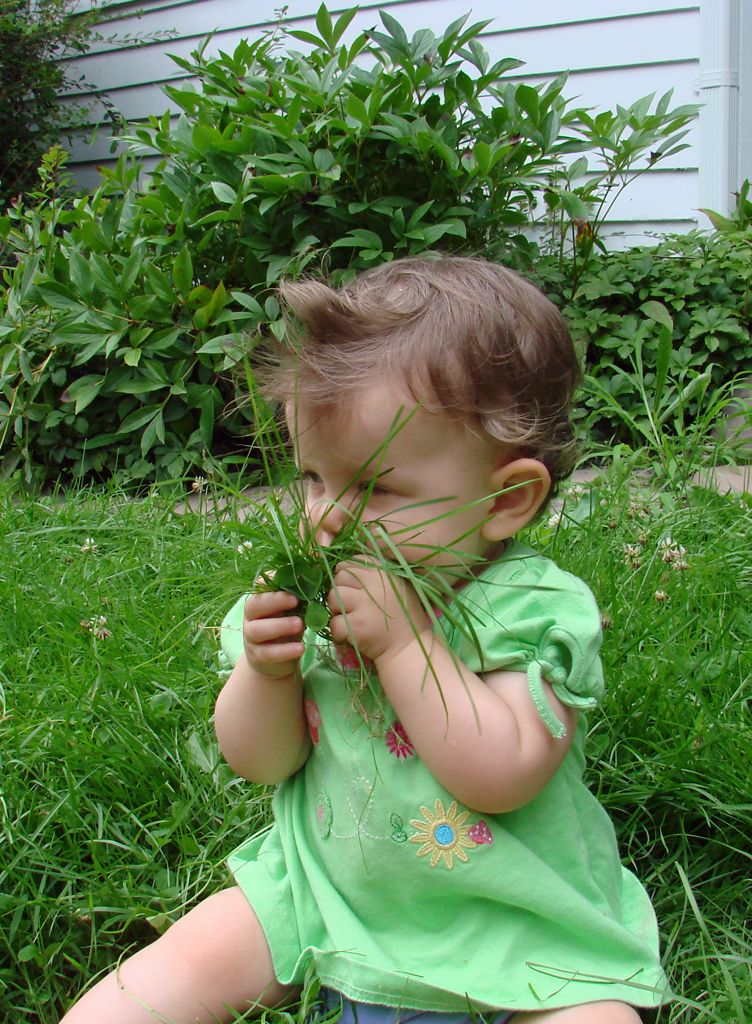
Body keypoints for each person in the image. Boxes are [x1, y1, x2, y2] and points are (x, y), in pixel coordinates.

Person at [61, 258, 670, 1024]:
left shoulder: (531, 611)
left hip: (516, 913)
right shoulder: (313, 600)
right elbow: (262, 761)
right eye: (315, 478)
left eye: (375, 487)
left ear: (506, 499)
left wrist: (408, 643)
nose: (327, 516)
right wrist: (266, 675)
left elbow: (505, 775)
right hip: (324, 886)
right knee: (184, 962)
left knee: (593, 1016)